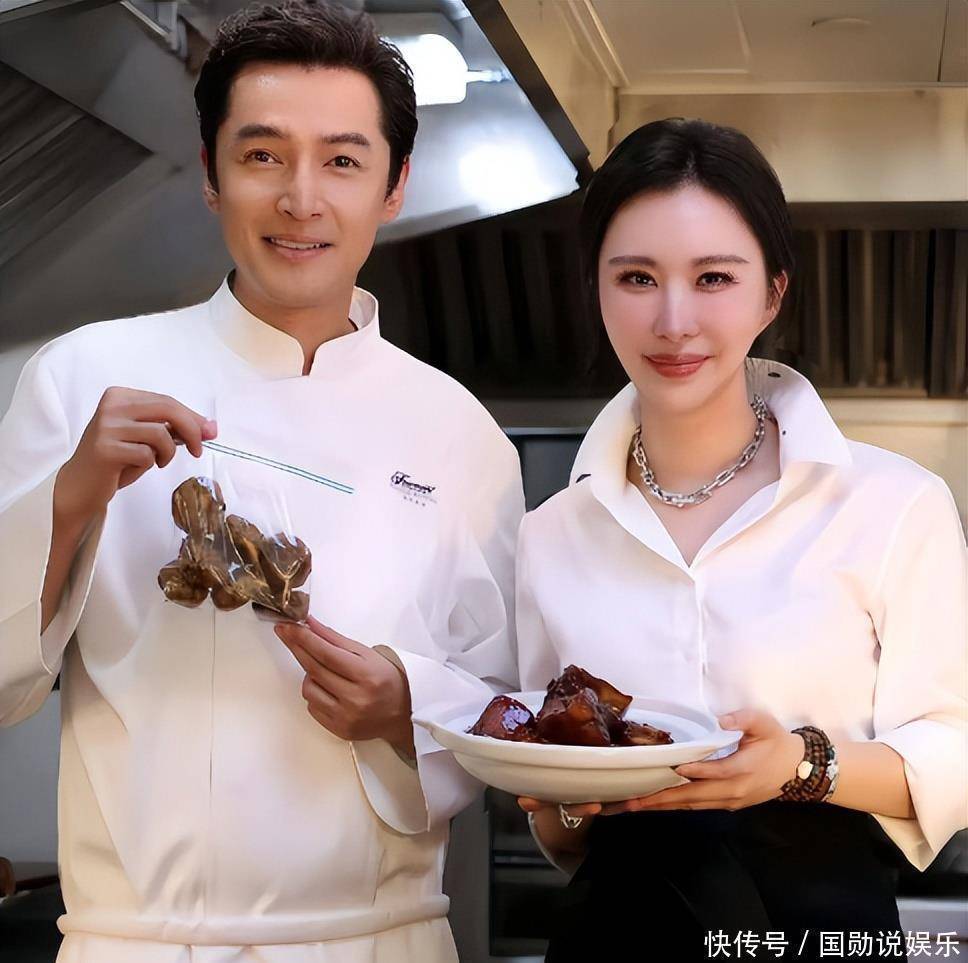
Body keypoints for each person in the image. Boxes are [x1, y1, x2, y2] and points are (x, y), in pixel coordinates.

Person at [0, 3, 523, 960]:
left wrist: (410, 707)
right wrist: (70, 500)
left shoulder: (462, 434)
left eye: (343, 160)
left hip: (380, 939)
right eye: (263, 155)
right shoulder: (83, 377)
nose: (301, 198)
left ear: (396, 186)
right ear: (211, 174)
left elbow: (505, 712)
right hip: (140, 942)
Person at [514, 118, 967, 962]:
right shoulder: (550, 535)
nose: (674, 319)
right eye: (637, 277)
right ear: (597, 290)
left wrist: (799, 764)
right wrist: (567, 800)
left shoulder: (894, 504)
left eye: (714, 277)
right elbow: (560, 819)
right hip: (618, 934)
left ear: (772, 293)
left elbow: (954, 752)